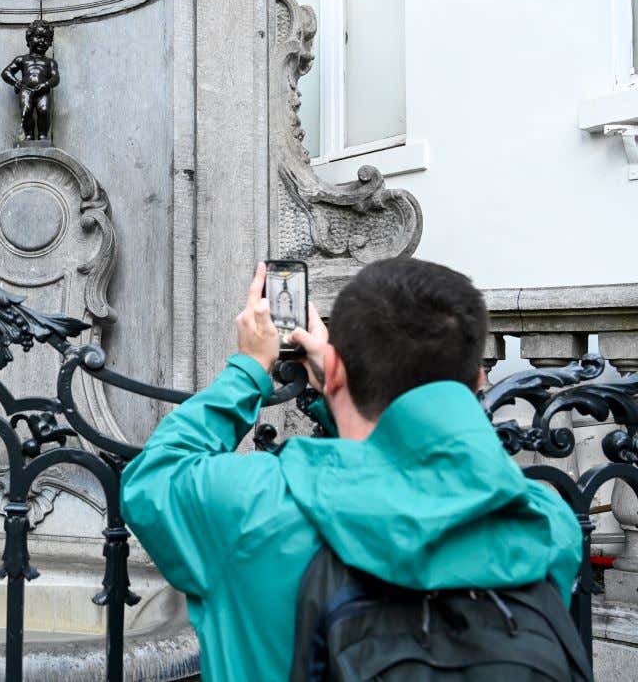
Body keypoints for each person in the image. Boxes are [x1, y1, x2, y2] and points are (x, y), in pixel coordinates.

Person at [120, 258, 582, 680]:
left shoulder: (255, 510)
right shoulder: (546, 524)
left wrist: (248, 370)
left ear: (335, 369)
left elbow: (152, 478)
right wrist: (340, 390)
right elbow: (457, 462)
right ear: (478, 382)